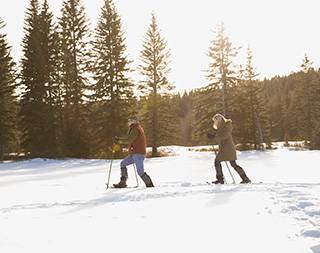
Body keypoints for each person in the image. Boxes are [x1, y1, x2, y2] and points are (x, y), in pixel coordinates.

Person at [207, 114, 251, 184]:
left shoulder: (227, 125)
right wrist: (212, 136)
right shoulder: (220, 127)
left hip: (228, 148)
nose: (215, 122)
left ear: (219, 119)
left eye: (216, 120)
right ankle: (244, 178)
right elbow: (220, 136)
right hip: (224, 148)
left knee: (221, 162)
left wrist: (214, 137)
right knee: (227, 163)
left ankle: (221, 179)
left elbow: (225, 135)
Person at [113, 117, 154, 188]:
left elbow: (129, 140)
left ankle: (150, 185)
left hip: (138, 153)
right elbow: (127, 137)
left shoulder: (135, 129)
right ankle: (123, 182)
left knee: (140, 172)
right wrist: (119, 139)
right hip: (134, 153)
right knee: (123, 164)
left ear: (134, 122)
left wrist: (119, 141)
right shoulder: (133, 128)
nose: (128, 122)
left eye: (130, 121)